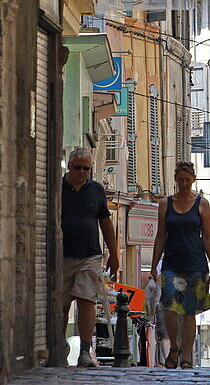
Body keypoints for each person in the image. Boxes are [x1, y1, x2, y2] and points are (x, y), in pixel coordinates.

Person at [148, 160, 210, 369]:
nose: (184, 183)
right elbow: (160, 236)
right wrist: (153, 265)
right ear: (176, 180)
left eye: (188, 180)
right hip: (171, 262)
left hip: (195, 263)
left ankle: (186, 355)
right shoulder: (165, 204)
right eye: (181, 180)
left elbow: (207, 238)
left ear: (193, 180)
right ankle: (175, 346)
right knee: (169, 309)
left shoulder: (202, 204)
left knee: (189, 312)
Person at [61, 146, 119, 368]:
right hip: (63, 256)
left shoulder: (96, 190)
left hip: (90, 255)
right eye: (78, 168)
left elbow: (105, 222)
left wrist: (114, 255)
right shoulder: (57, 187)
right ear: (69, 166)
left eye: (86, 168)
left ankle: (85, 351)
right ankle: (58, 347)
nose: (82, 172)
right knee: (62, 305)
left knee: (87, 300)